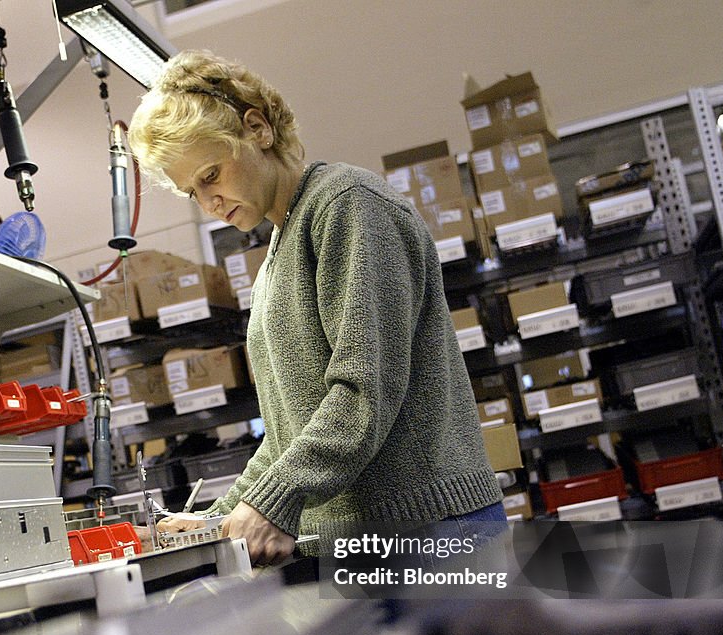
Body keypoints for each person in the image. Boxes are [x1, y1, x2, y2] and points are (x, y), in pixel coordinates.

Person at [127, 49, 504, 567]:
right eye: (193, 191)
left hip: (431, 532)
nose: (208, 203)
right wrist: (227, 513)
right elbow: (290, 427)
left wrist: (275, 500)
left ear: (256, 128)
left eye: (211, 174)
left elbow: (364, 388)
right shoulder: (277, 254)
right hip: (361, 540)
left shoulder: (349, 206)